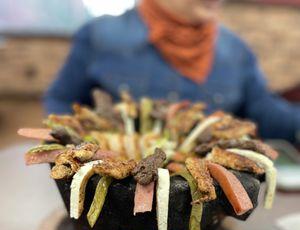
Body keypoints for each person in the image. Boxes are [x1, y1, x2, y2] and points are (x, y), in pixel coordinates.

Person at [44, 0, 300, 141]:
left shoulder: (237, 50)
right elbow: (61, 100)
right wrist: (77, 145)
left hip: (203, 197)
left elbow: (266, 114)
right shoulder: (100, 35)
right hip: (117, 189)